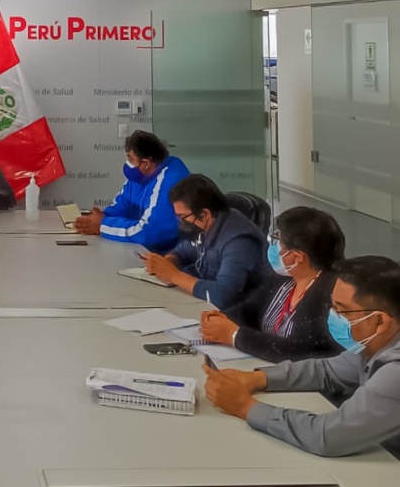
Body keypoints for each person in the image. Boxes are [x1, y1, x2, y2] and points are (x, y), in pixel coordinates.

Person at [205, 256, 400, 458]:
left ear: (379, 321)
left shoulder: (396, 370)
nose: (333, 316)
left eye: (342, 310)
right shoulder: (373, 344)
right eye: (332, 306)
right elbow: (327, 371)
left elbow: (328, 436)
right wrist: (256, 378)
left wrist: (245, 407)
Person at [200, 206, 345, 362]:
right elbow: (251, 308)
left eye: (278, 241)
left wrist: (235, 336)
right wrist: (223, 317)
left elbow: (301, 351)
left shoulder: (331, 295)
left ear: (297, 257)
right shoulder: (284, 277)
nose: (273, 246)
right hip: (258, 363)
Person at [141, 174, 273, 309]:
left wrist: (174, 276)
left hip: (241, 312)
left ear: (204, 215)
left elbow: (223, 297)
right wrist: (167, 262)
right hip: (204, 304)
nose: (180, 222)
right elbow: (183, 252)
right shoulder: (204, 227)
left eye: (183, 217)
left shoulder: (240, 242)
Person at [75, 130, 189, 252]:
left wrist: (103, 225)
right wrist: (100, 218)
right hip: (143, 250)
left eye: (130, 158)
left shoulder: (170, 181)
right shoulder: (140, 176)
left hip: (170, 256)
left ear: (145, 163)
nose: (127, 163)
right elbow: (121, 205)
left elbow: (149, 232)